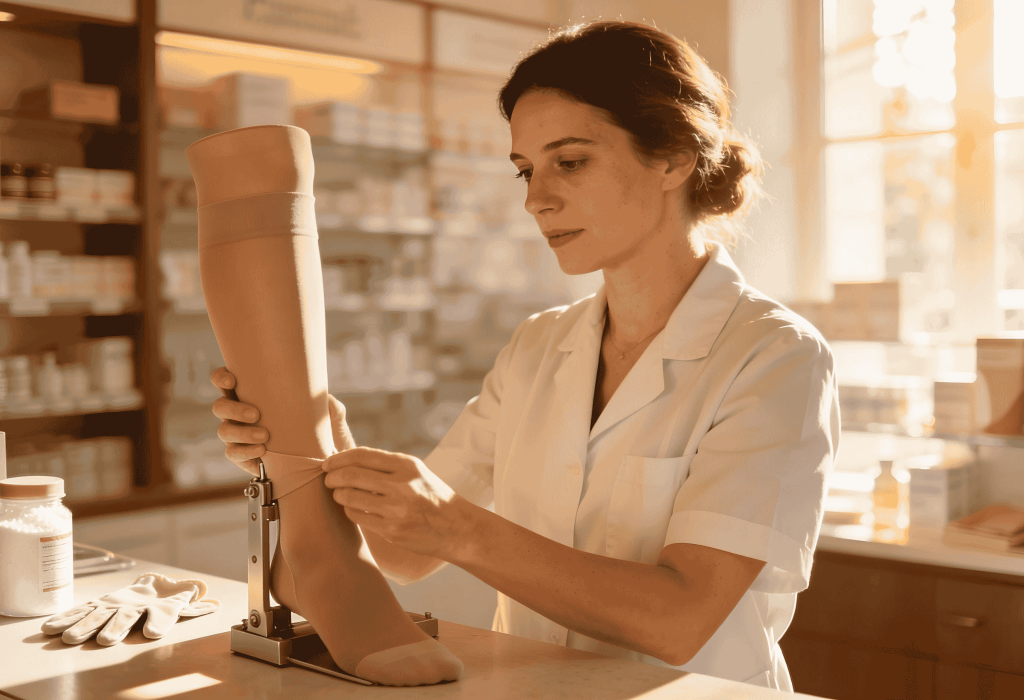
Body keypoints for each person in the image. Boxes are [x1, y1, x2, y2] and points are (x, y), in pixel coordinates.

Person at [211, 19, 840, 691]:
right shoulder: (541, 345)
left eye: (570, 162)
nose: (537, 200)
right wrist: (309, 452)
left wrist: (462, 532)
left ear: (673, 158)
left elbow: (681, 618)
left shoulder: (775, 357)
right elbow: (401, 552)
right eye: (526, 170)